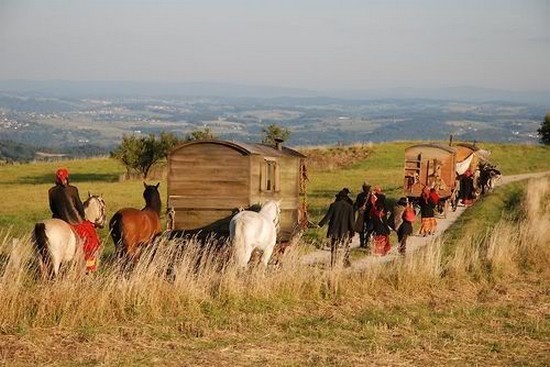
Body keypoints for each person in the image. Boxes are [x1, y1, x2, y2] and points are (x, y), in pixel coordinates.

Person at [48, 168, 101, 273]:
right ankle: (89, 267)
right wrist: (82, 217)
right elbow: (79, 207)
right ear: (67, 177)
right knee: (91, 239)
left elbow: (52, 208)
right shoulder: (73, 189)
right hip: (74, 220)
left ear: (56, 179)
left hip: (58, 219)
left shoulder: (51, 191)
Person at [318, 188, 355, 268]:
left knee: (334, 248)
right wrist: (352, 232)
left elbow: (327, 217)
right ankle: (345, 262)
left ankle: (333, 263)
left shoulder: (333, 205)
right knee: (346, 247)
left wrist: (319, 225)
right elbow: (351, 221)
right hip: (345, 230)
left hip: (334, 230)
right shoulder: (349, 207)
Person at [353, 182, 373, 249]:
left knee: (361, 229)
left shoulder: (359, 195)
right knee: (369, 229)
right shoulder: (371, 196)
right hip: (370, 215)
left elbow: (356, 205)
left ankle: (362, 243)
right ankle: (366, 242)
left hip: (362, 214)